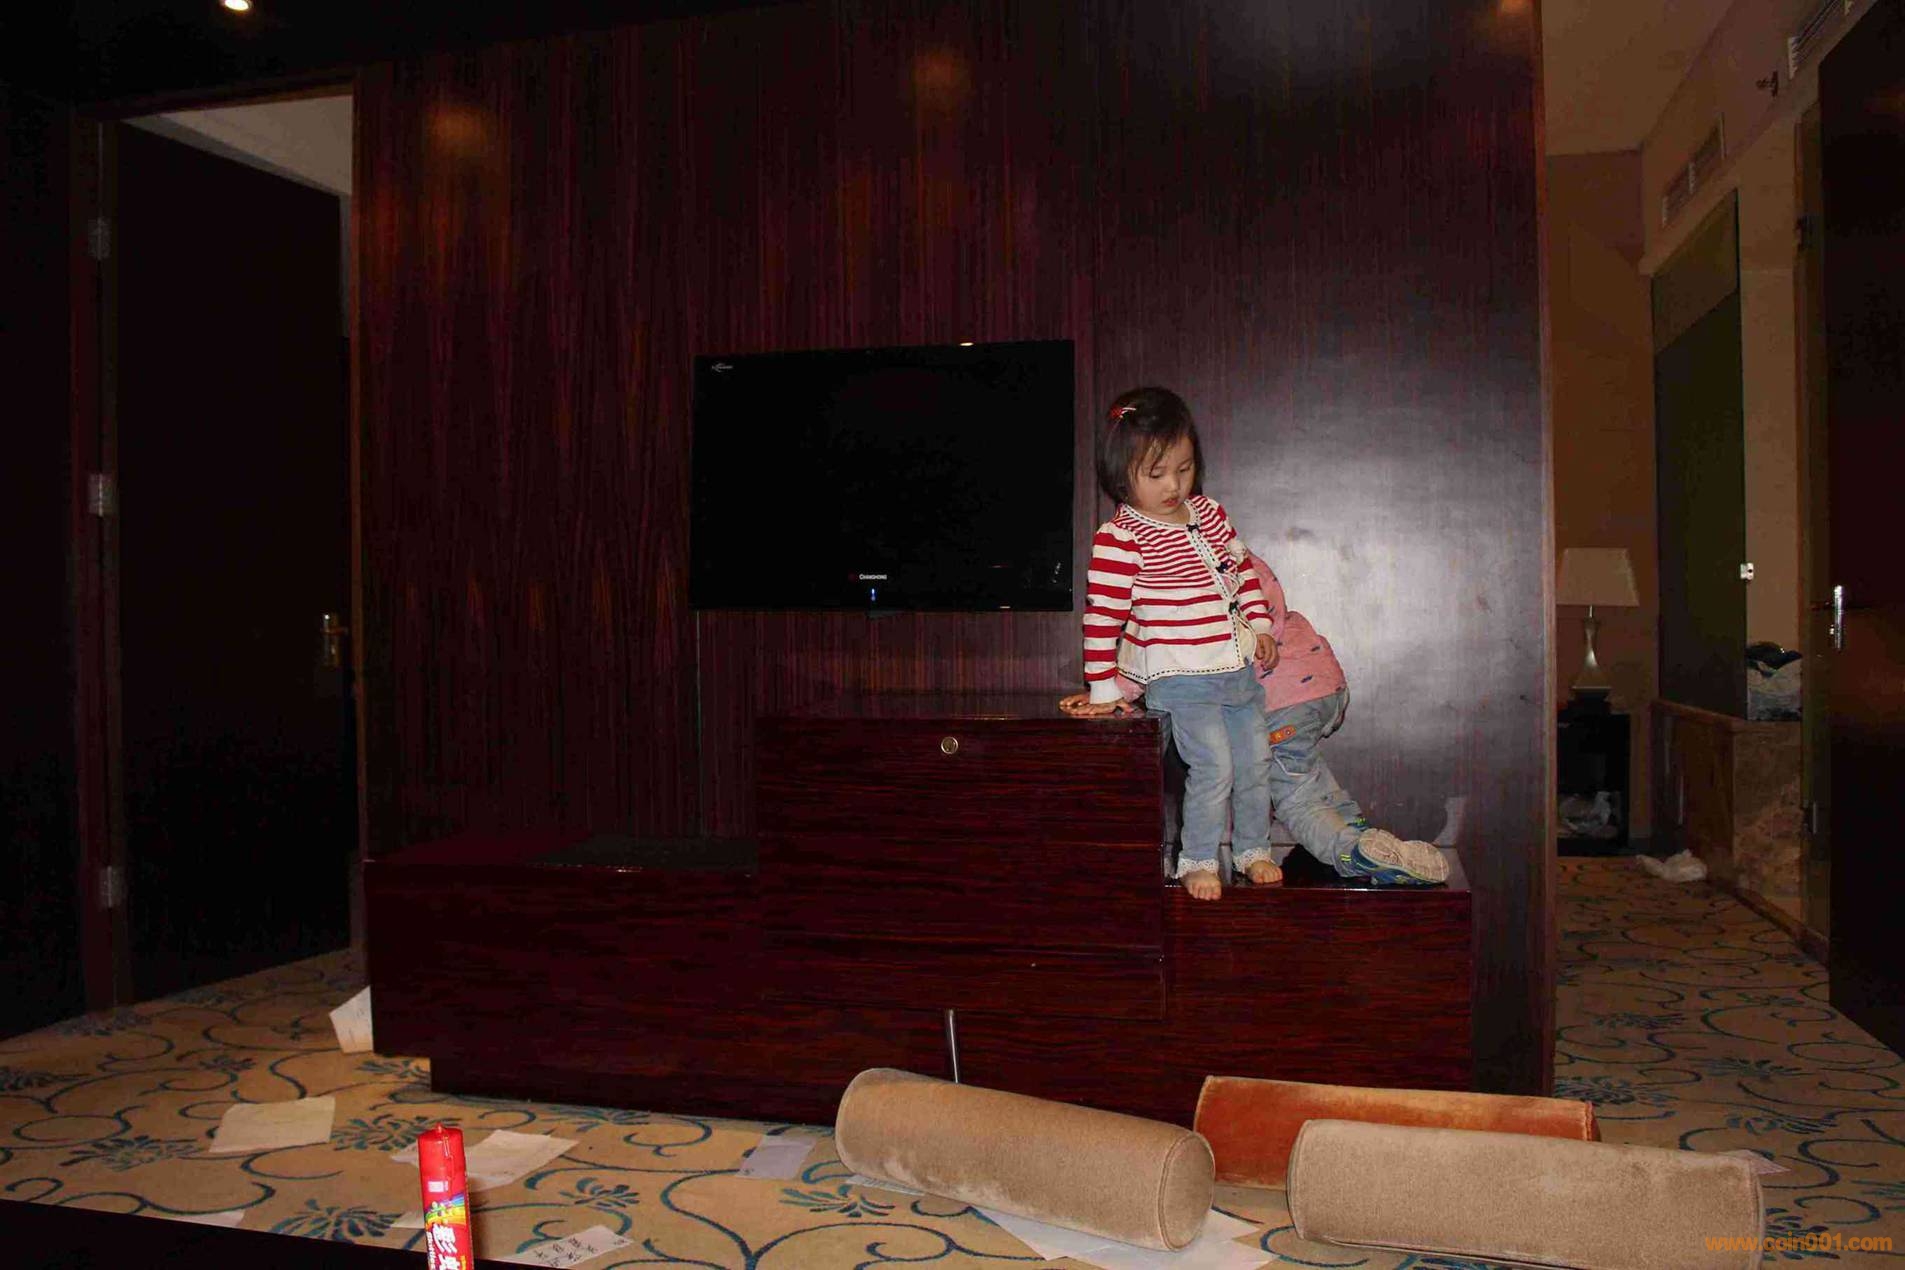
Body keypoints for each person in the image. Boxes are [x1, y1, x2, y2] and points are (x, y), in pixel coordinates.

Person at [1058, 386, 1281, 900]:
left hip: (1236, 669)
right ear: (1121, 475)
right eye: (1156, 474)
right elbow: (1103, 618)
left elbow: (1242, 572)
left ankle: (1252, 849)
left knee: (1255, 761)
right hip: (1181, 677)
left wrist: (1261, 627)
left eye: (1184, 468)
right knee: (1214, 766)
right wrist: (1103, 688)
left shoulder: (1210, 513)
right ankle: (1197, 859)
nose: (1174, 485)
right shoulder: (1121, 537)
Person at [1240, 551, 1449, 886]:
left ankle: (1353, 853)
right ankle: (1359, 831)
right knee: (1306, 768)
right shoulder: (1244, 558)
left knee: (1295, 796)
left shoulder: (1199, 565)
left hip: (1284, 695)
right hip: (1324, 683)